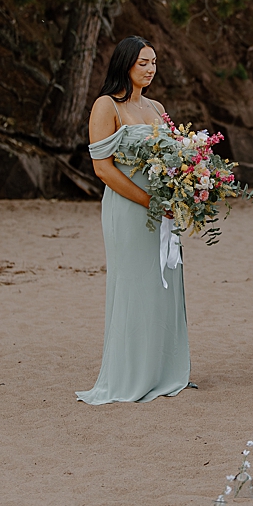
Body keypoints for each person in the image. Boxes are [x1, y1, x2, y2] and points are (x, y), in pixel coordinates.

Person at [76, 36, 191, 404]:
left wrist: (181, 189)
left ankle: (163, 372)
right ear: (125, 64)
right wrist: (149, 201)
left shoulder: (156, 107)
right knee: (134, 286)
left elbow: (174, 156)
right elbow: (102, 169)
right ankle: (129, 377)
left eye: (154, 62)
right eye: (143, 62)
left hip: (163, 208)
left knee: (164, 285)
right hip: (128, 208)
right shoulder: (106, 105)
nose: (150, 69)